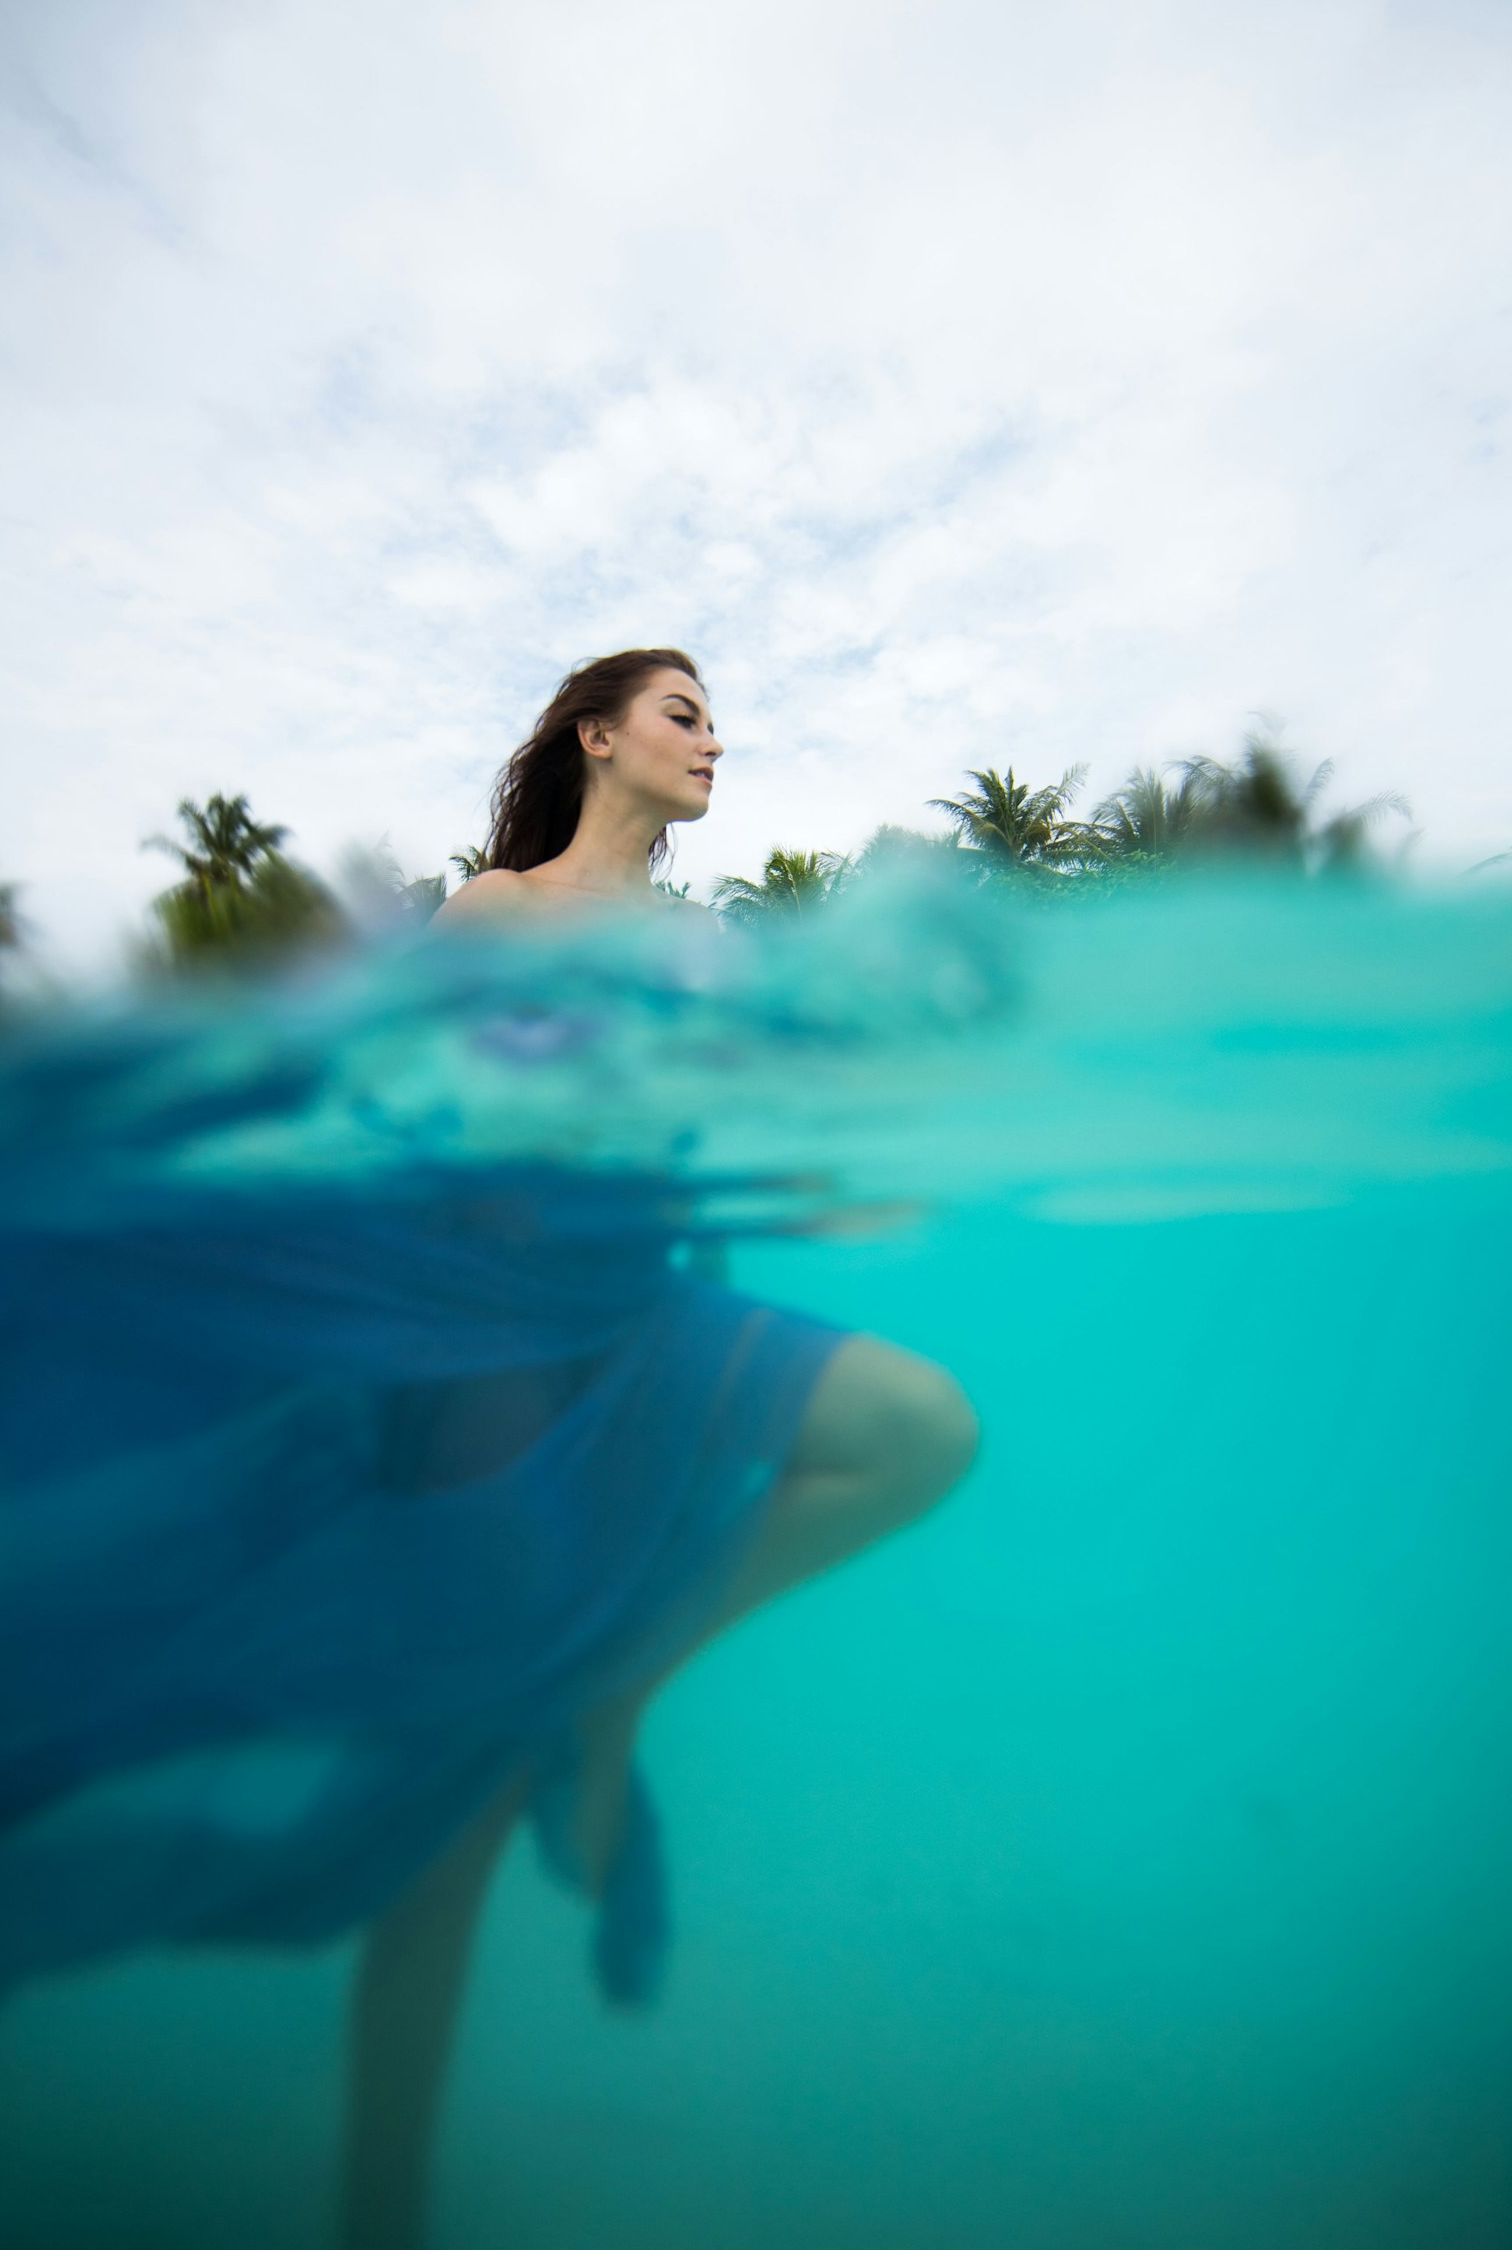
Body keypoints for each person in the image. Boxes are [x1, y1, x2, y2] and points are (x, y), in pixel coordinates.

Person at [340, 648, 978, 2249]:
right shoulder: (493, 910)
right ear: (596, 736)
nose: (715, 741)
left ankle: (625, 1675)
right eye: (685, 713)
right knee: (458, 1801)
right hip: (492, 1337)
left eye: (716, 720)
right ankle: (379, 2205)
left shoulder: (701, 944)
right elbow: (411, 1103)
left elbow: (747, 1121)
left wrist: (857, 1189)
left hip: (650, 1319)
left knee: (921, 1429)